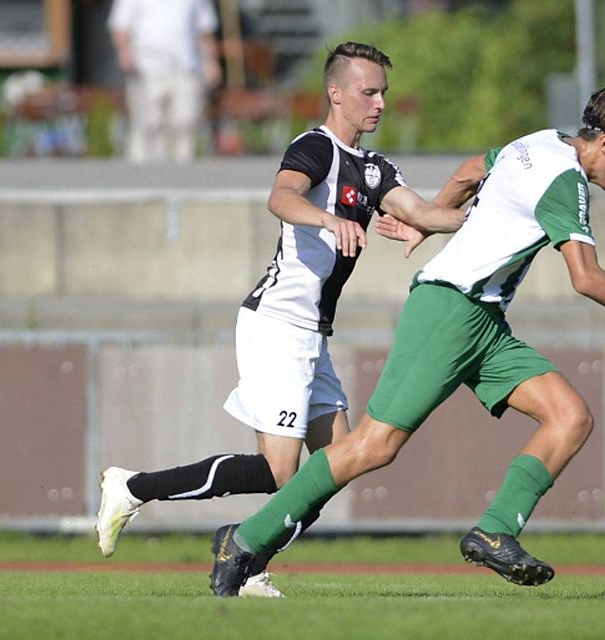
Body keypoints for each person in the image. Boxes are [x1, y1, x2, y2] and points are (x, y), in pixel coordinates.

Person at [212, 86, 605, 592]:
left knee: (570, 417)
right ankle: (245, 540)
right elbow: (585, 277)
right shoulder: (567, 182)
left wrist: (429, 223)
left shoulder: (542, 142)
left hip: (485, 323)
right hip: (449, 311)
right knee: (373, 445)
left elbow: (471, 168)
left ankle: (495, 531)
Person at [94, 42, 465, 597]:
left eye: (384, 91)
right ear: (336, 94)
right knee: (281, 473)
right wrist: (327, 220)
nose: (381, 102)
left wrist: (490, 210)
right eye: (369, 91)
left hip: (312, 335)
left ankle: (246, 556)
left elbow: (424, 213)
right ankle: (136, 488)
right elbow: (280, 197)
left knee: (337, 465)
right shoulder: (314, 147)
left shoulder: (376, 168)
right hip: (277, 324)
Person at [107, 0, 222, 163]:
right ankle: (146, 172)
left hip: (186, 67)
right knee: (149, 122)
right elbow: (120, 25)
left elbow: (205, 29)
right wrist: (125, 50)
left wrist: (211, 61)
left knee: (186, 120)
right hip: (146, 66)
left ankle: (184, 169)